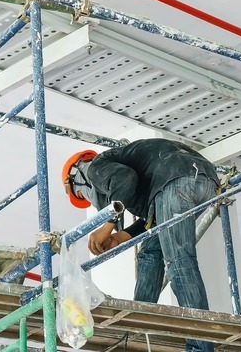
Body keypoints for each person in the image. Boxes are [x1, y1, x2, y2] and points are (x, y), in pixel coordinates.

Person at [62, 139, 220, 352]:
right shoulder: (132, 169)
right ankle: (139, 324)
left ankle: (200, 347)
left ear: (76, 176)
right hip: (204, 181)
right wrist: (121, 236)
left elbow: (125, 179)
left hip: (177, 180)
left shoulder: (95, 167)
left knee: (179, 262)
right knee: (151, 251)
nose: (87, 199)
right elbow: (154, 219)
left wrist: (108, 224)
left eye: (80, 194)